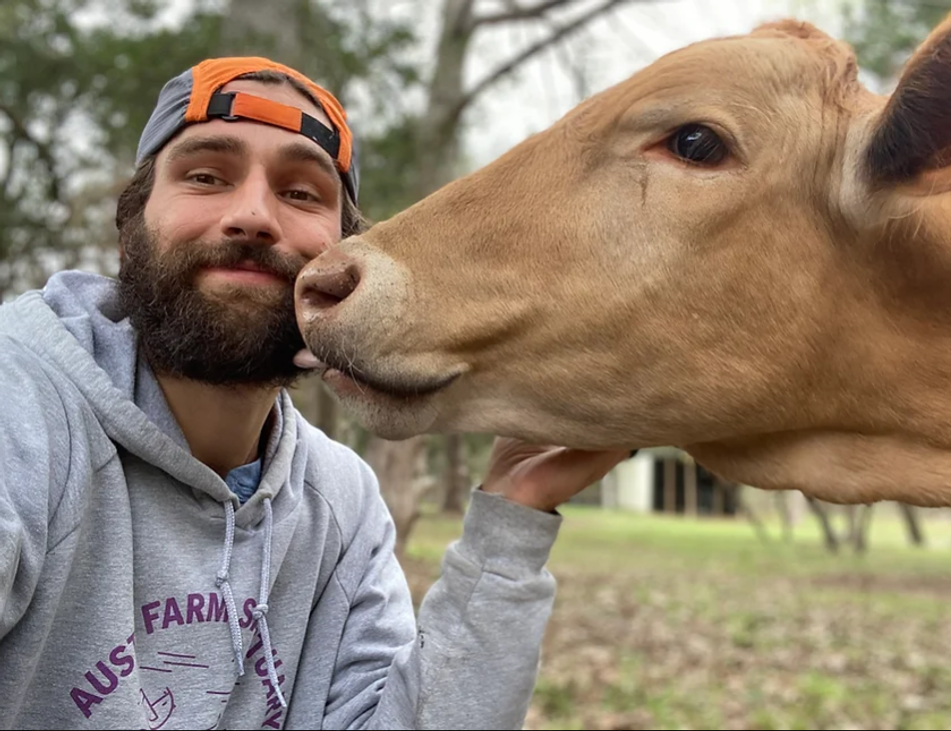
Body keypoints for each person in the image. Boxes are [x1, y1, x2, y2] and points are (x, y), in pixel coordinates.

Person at [0, 56, 631, 729]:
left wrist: (513, 514)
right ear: (129, 227)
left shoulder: (342, 501)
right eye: (206, 176)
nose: (252, 216)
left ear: (342, 261)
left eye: (301, 192)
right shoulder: (23, 405)